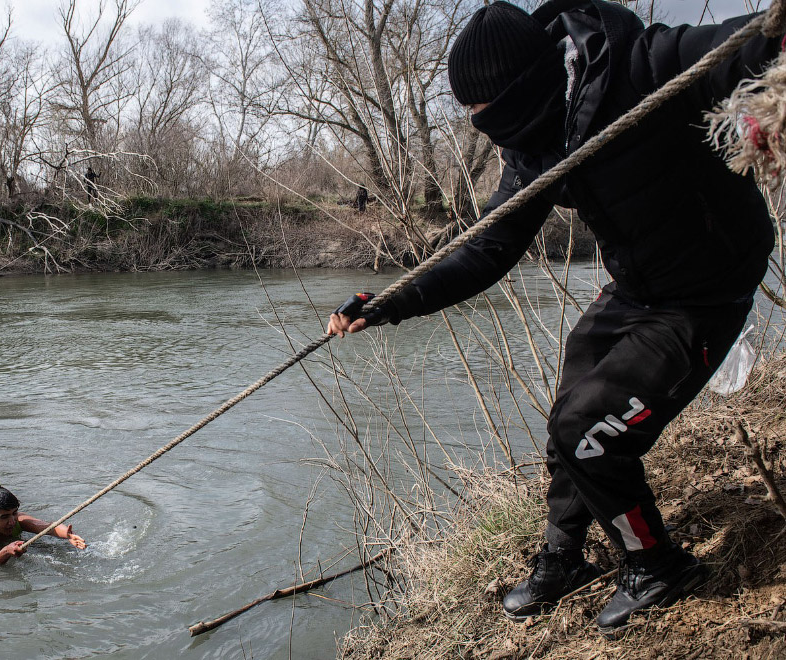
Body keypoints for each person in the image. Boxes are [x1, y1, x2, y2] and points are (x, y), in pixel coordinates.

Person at [327, 0, 779, 636]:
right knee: (571, 406)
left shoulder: (636, 66)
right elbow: (489, 247)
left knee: (587, 431)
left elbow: (734, 47)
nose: (484, 130)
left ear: (519, 93)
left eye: (485, 115)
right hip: (636, 287)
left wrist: (775, 33)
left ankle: (656, 564)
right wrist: (391, 303)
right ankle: (565, 555)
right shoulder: (531, 146)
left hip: (706, 292)